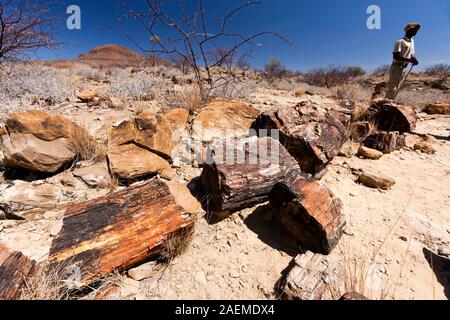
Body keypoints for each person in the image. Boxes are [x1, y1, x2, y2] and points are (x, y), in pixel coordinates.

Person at [385, 23, 421, 99]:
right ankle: (384, 106)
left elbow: (411, 54)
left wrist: (414, 60)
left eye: (416, 30)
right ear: (408, 30)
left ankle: (390, 104)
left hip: (404, 67)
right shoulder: (400, 42)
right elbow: (396, 56)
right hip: (397, 67)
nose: (416, 32)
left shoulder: (412, 42)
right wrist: (409, 60)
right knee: (392, 88)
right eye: (414, 30)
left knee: (397, 88)